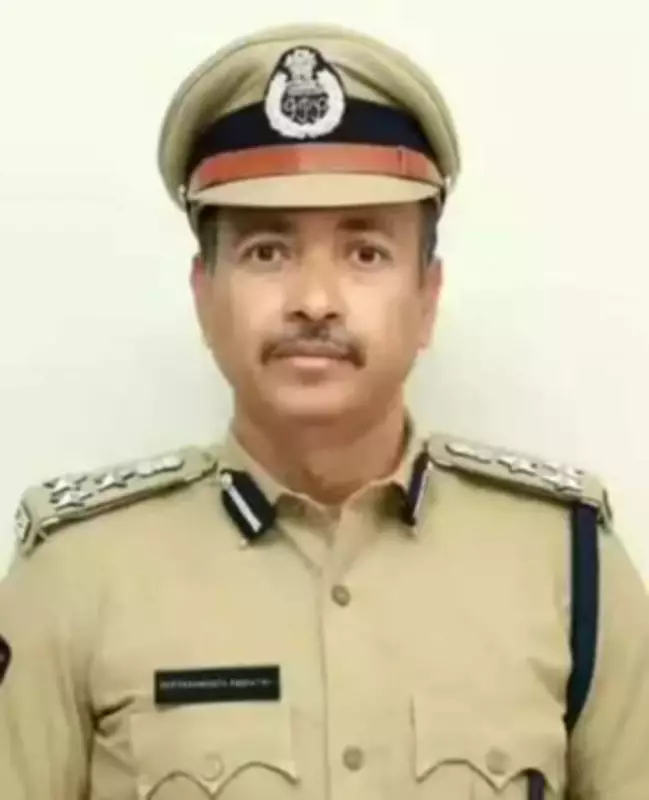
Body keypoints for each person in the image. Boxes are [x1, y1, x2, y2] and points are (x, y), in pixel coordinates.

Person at [0, 22, 648, 800]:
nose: (313, 300)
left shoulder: (568, 566)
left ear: (427, 297)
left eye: (364, 252)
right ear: (204, 296)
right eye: (266, 252)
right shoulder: (75, 575)